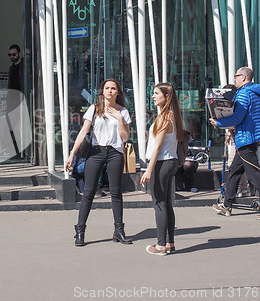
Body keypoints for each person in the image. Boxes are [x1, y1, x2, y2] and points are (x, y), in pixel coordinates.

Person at [65, 78, 133, 246]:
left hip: (115, 152)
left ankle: (119, 231)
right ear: (102, 91)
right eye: (107, 88)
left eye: (113, 88)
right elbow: (83, 132)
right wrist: (72, 154)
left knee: (116, 193)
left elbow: (125, 138)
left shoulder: (123, 112)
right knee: (88, 193)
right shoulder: (94, 109)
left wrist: (119, 119)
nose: (110, 91)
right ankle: (80, 231)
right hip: (96, 152)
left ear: (118, 92)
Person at [210, 67, 260, 221]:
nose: (234, 79)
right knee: (235, 170)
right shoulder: (255, 92)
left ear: (242, 77)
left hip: (246, 138)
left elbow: (237, 118)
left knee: (254, 176)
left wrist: (218, 122)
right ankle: (227, 205)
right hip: (252, 137)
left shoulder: (243, 93)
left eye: (236, 76)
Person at [141, 82, 185, 256]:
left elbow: (157, 147)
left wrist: (148, 169)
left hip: (162, 162)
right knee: (166, 204)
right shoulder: (173, 116)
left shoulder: (164, 118)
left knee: (159, 203)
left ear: (166, 97)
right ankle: (169, 242)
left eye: (156, 93)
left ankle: (160, 246)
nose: (153, 96)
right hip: (170, 161)